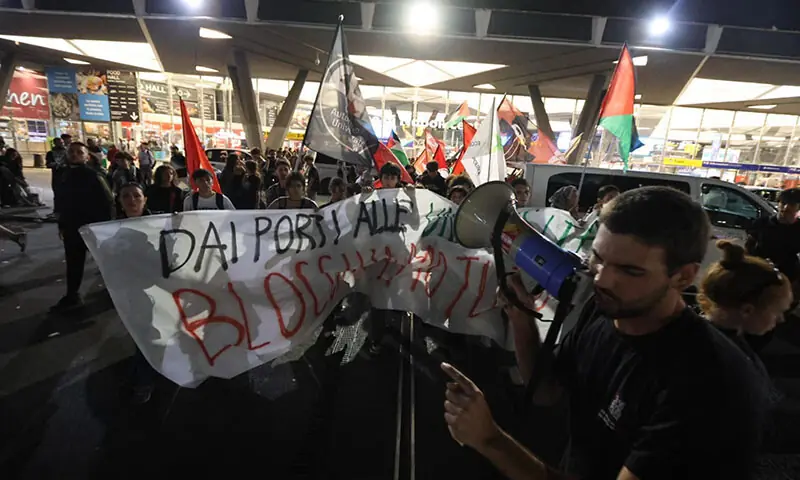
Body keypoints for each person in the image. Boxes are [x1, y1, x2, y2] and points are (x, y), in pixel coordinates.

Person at [442, 186, 769, 480]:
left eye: (629, 271)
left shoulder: (708, 383)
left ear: (683, 277)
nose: (601, 280)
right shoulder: (604, 313)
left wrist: (491, 441)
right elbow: (546, 390)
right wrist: (521, 318)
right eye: (597, 259)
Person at [52, 142, 115, 312]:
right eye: (71, 152)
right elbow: (61, 201)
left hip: (93, 227)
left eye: (79, 152)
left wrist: (105, 227)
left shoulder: (94, 176)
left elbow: (108, 201)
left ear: (87, 156)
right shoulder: (63, 175)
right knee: (73, 262)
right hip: (73, 227)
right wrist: (62, 225)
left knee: (105, 262)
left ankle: (114, 292)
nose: (74, 155)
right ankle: (72, 294)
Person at [747, 187, 800, 303]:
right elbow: (748, 248)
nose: (785, 208)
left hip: (787, 280)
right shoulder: (762, 223)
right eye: (783, 203)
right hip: (759, 276)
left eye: (791, 204)